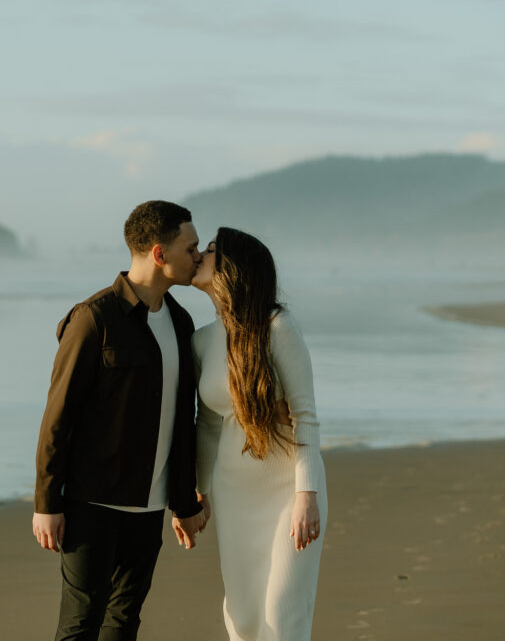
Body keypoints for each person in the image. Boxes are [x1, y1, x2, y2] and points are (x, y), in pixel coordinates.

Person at [33, 200, 207, 641]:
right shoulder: (94, 319)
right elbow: (58, 418)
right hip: (92, 503)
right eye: (191, 248)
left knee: (124, 623)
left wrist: (184, 505)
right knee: (80, 624)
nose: (198, 257)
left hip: (148, 508)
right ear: (159, 253)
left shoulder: (182, 323)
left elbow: (183, 420)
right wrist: (47, 503)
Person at [191, 227, 327, 641]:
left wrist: (308, 495)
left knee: (282, 616)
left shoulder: (278, 327)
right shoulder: (201, 341)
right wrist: (198, 491)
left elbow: (305, 415)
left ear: (233, 268)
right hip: (233, 491)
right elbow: (209, 423)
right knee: (245, 617)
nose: (200, 255)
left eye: (211, 250)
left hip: (288, 490)